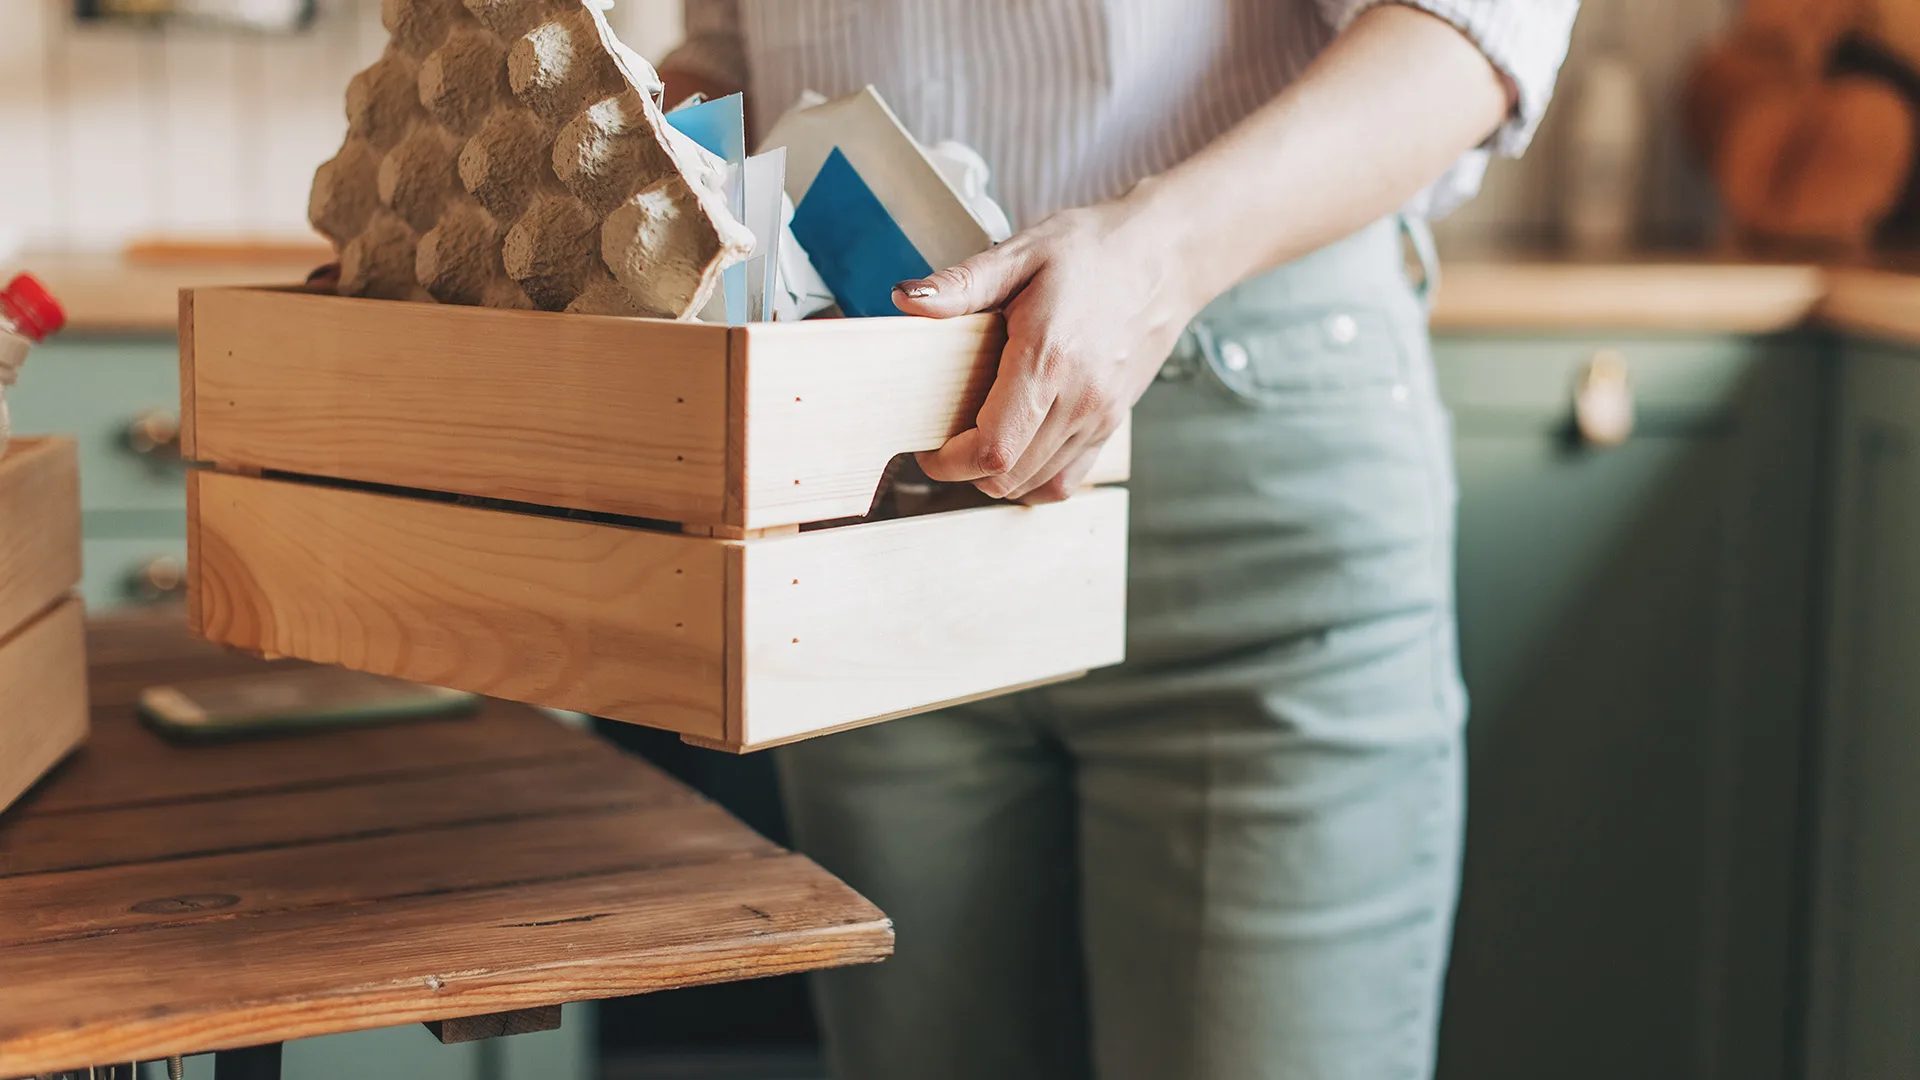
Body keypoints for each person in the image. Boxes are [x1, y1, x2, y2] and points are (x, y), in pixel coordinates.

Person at [658, 4, 1577, 1078]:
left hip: (1242, 472)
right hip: (869, 489)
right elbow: (731, 56)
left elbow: (1473, 32)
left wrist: (1158, 254)